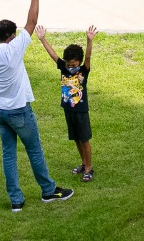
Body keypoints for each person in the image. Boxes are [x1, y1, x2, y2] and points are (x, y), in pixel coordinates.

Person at [0, 0, 74, 212]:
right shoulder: (14, 49)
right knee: (34, 150)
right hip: (19, 111)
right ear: (11, 37)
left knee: (8, 154)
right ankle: (48, 191)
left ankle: (16, 201)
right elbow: (32, 20)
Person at [35, 25, 97, 183]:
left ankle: (89, 168)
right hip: (68, 110)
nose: (71, 68)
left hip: (81, 111)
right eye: (69, 65)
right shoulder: (63, 67)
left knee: (84, 139)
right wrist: (42, 38)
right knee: (76, 138)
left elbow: (88, 57)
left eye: (74, 65)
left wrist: (89, 41)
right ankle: (83, 164)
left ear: (79, 62)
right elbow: (53, 54)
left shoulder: (84, 70)